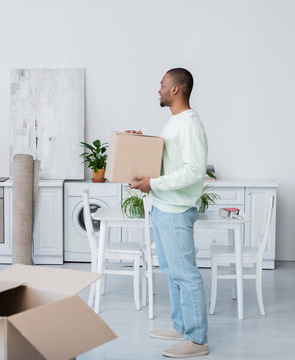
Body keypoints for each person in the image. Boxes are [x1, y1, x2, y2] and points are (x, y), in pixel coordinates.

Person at [129, 68, 209, 358]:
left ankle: (197, 339)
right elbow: (169, 162)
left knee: (185, 274)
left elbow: (194, 170)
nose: (159, 90)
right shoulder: (175, 123)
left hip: (176, 209)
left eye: (162, 85)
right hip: (163, 206)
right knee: (173, 272)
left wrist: (154, 183)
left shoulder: (189, 123)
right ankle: (181, 325)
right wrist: (138, 146)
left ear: (176, 89)